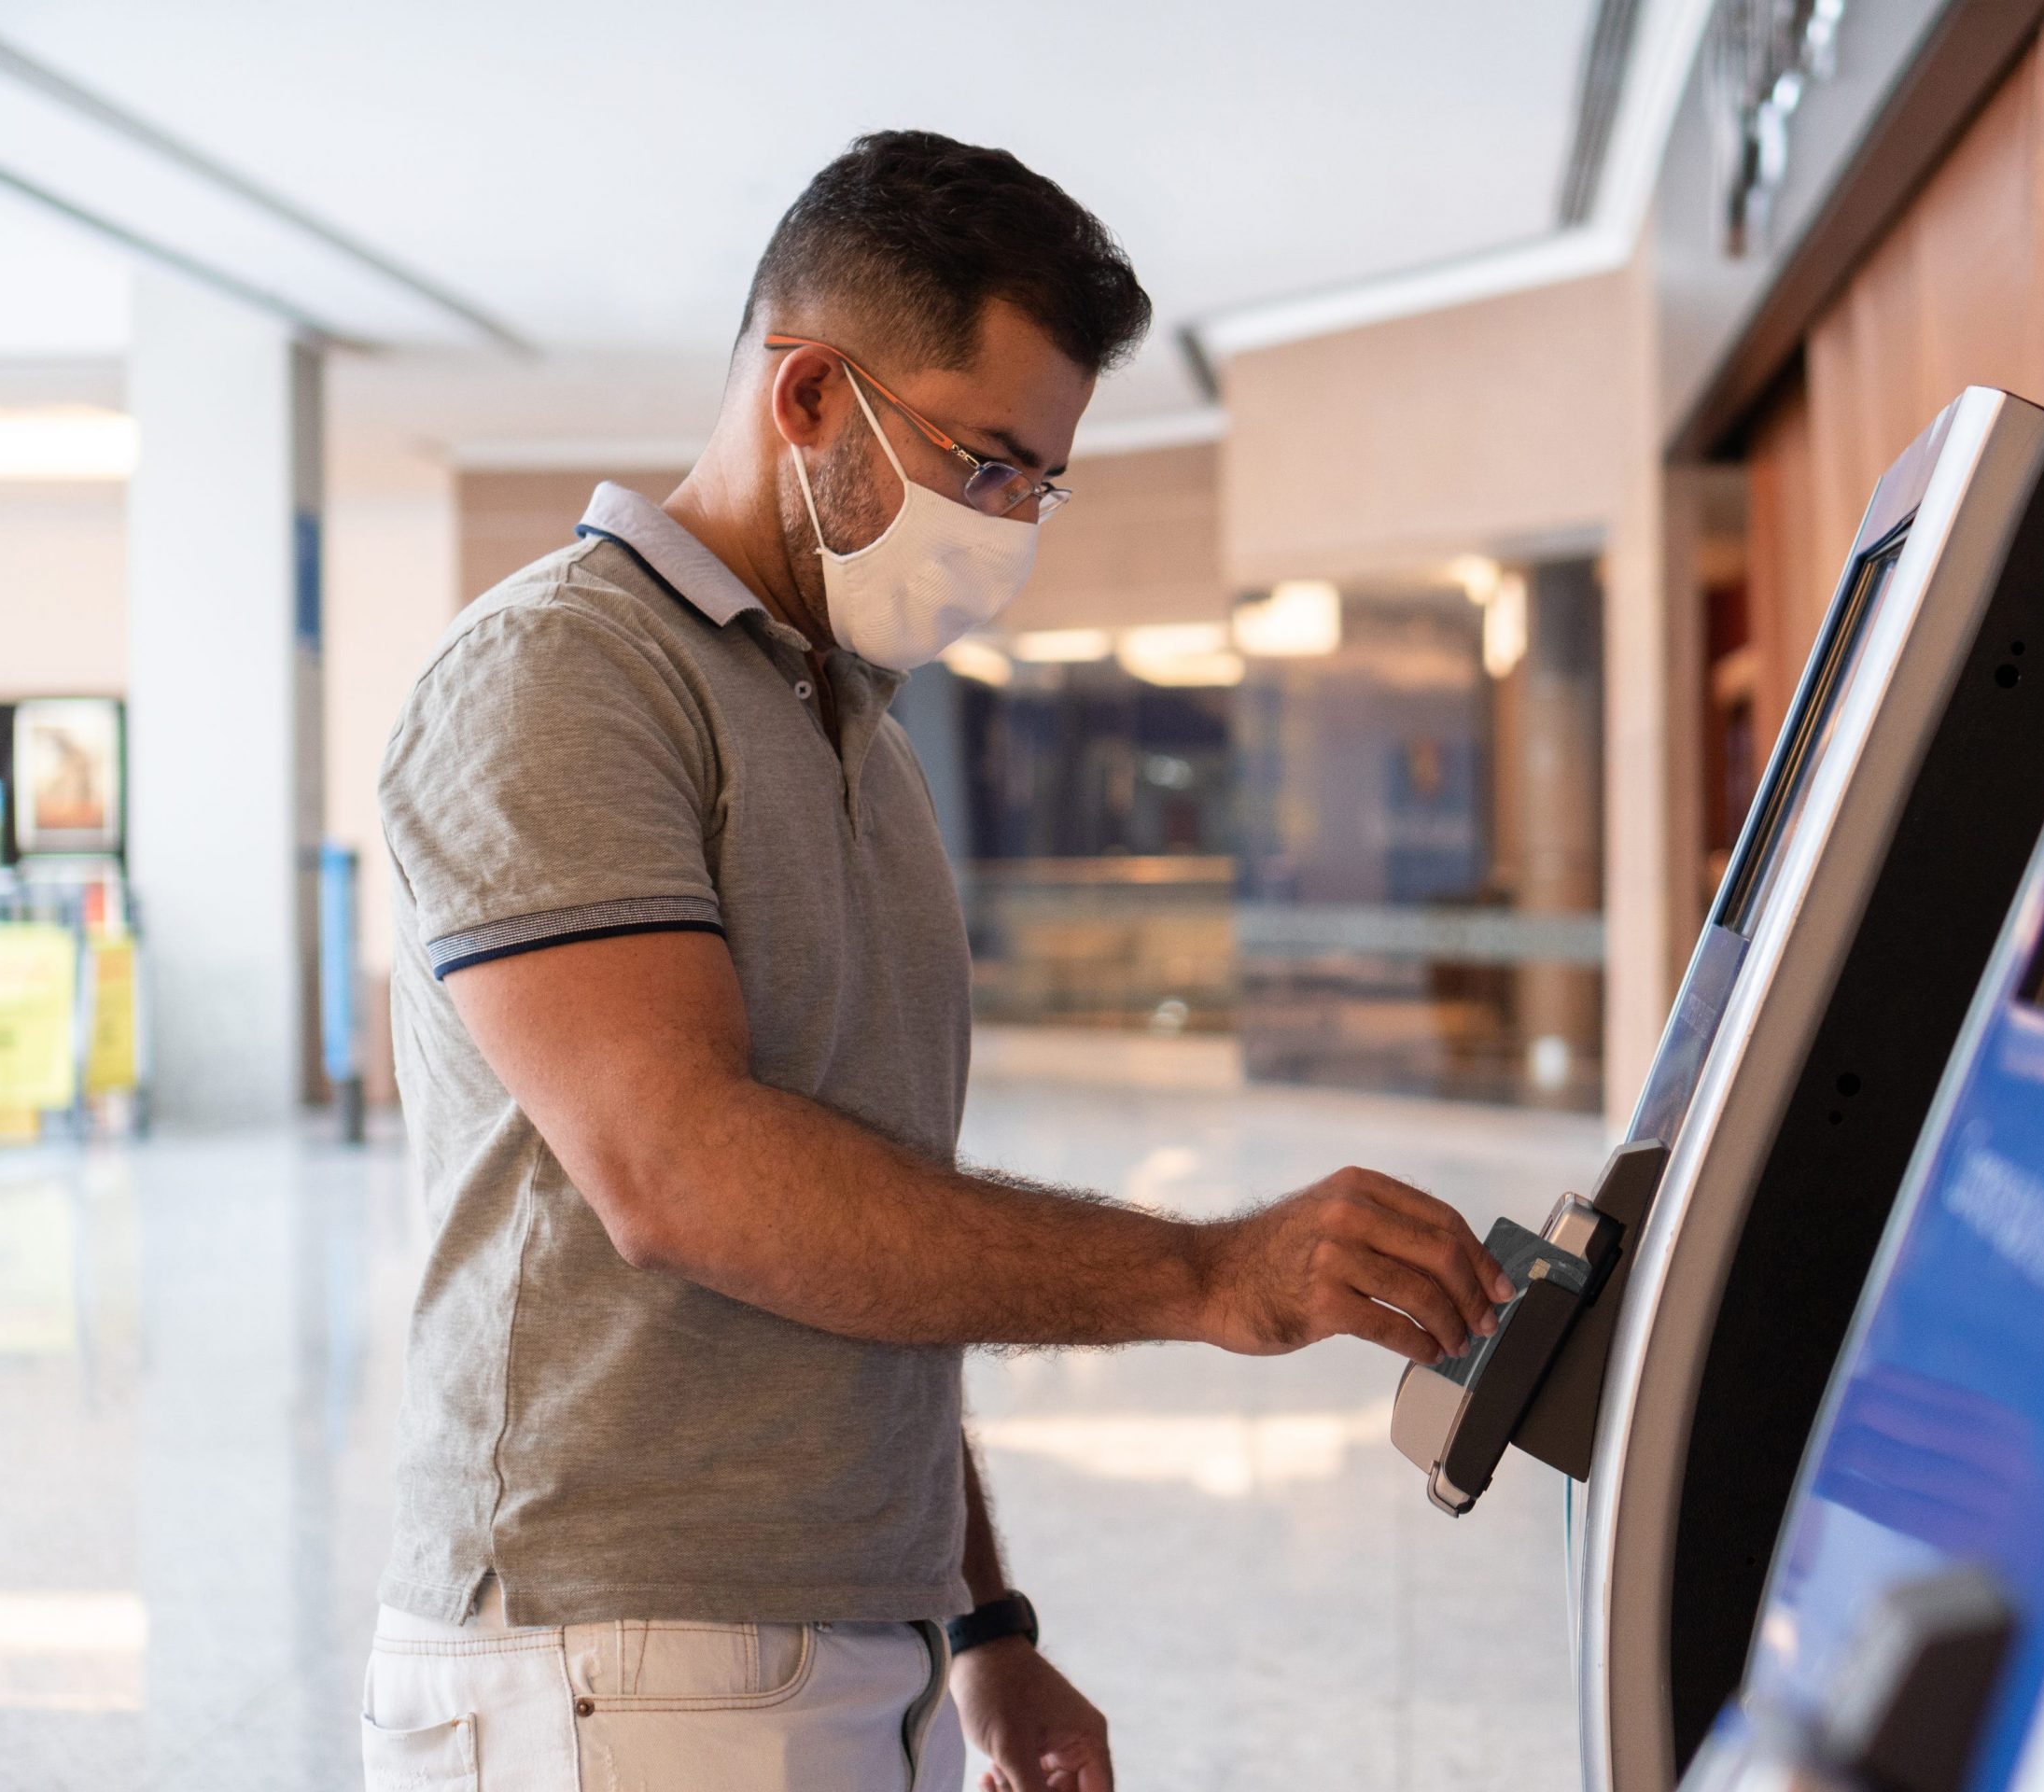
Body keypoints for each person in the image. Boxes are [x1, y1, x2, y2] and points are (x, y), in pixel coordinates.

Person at [364, 130, 1512, 1792]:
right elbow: (679, 1174)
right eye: (983, 461)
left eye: (1040, 480)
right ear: (811, 395)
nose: (1010, 520)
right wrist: (1205, 1275)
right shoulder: (560, 675)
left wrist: (984, 1625)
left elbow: (864, 1216)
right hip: (609, 1663)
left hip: (846, 1643)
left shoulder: (857, 738)